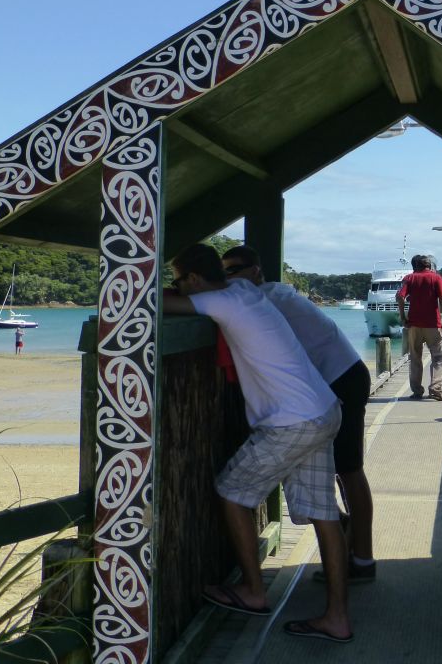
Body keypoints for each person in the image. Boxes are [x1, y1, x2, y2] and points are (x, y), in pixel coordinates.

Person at [164, 243, 352, 643]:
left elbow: (158, 304)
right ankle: (337, 617)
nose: (177, 288)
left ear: (194, 280)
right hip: (323, 408)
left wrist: (170, 293)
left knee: (232, 492)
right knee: (324, 514)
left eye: (178, 280)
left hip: (292, 422)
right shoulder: (245, 292)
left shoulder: (221, 303)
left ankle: (252, 591)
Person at [221, 245, 376, 583]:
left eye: (235, 270)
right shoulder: (267, 295)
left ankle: (362, 559)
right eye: (224, 273)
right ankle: (349, 539)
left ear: (256, 271)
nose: (229, 278)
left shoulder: (265, 297)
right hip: (334, 381)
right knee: (325, 471)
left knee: (349, 471)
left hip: (342, 378)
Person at [397, 255, 442, 400]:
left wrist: (403, 317)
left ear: (415, 266)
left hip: (414, 324)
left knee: (415, 358)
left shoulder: (409, 278)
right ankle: (435, 388)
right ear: (429, 265)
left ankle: (416, 391)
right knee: (438, 357)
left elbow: (400, 296)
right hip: (433, 324)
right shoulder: (436, 278)